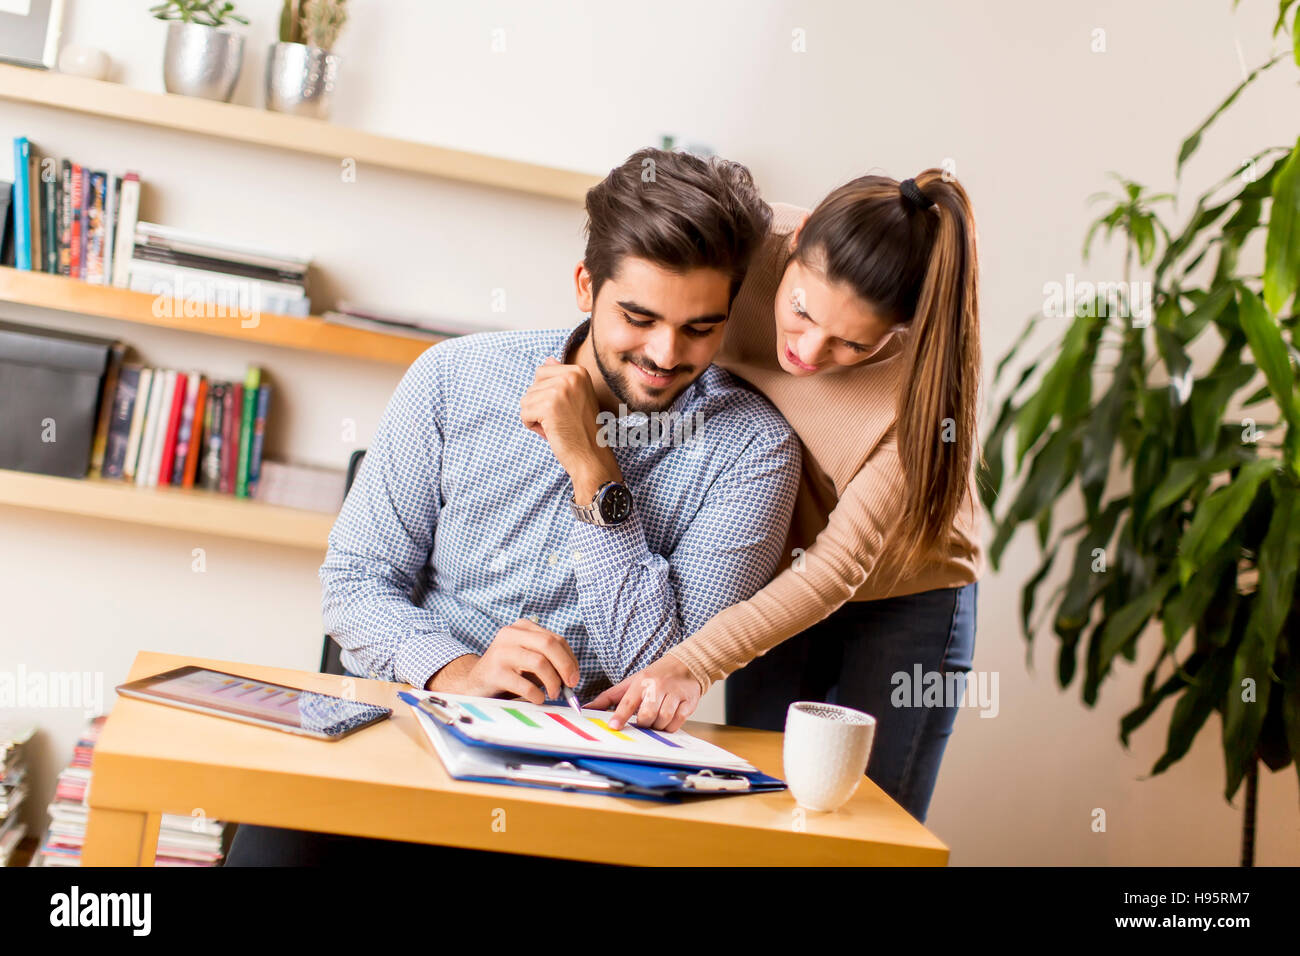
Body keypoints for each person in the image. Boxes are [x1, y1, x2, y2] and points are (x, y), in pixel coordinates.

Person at [225, 147, 801, 864]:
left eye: (699, 328)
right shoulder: (454, 378)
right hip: (397, 744)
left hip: (578, 799)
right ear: (586, 285)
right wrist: (458, 670)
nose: (664, 353)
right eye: (637, 316)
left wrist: (592, 464)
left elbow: (662, 670)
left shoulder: (754, 452)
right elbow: (354, 583)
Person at [588, 170, 984, 823]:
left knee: (865, 829)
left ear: (901, 332)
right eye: (802, 311)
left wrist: (692, 664)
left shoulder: (915, 400)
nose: (807, 349)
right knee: (759, 809)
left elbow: (835, 573)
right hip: (774, 572)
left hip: (904, 601)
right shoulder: (744, 250)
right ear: (794, 240)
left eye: (851, 344)